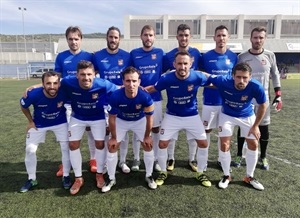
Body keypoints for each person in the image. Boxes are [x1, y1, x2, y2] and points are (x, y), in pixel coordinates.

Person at [146, 50, 211, 187]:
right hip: (172, 116)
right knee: (162, 144)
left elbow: (213, 83)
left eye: (185, 63)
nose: (182, 67)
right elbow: (153, 88)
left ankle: (200, 172)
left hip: (192, 116)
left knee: (204, 143)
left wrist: (231, 87)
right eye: (179, 63)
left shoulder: (197, 76)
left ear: (191, 64)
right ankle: (163, 171)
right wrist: (134, 91)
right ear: (174, 64)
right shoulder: (166, 78)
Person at [207, 62, 267, 190]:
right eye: (238, 77)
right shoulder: (223, 81)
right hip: (227, 115)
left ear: (250, 77)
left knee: (254, 144)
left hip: (247, 115)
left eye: (245, 77)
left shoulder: (256, 86)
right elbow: (206, 76)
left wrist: (256, 126)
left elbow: (263, 105)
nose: (241, 80)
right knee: (224, 145)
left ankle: (249, 177)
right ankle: (226, 175)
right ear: (233, 76)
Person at [61, 60, 118, 195]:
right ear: (77, 75)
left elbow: (119, 90)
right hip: (77, 117)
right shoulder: (68, 81)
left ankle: (99, 174)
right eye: (82, 74)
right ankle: (78, 178)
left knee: (99, 143)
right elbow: (51, 83)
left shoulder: (103, 84)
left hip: (97, 117)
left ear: (94, 74)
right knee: (73, 144)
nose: (86, 78)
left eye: (89, 74)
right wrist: (33, 87)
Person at [233, 26, 282, 170]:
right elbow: (236, 77)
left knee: (264, 128)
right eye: (255, 37)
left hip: (263, 99)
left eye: (261, 37)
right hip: (245, 99)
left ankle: (264, 157)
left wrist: (278, 94)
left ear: (265, 39)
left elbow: (275, 74)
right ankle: (239, 155)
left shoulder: (270, 55)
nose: (258, 40)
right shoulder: (242, 57)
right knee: (243, 128)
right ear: (250, 39)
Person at [103, 66, 157, 192]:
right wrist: (114, 138)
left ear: (139, 82)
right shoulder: (115, 96)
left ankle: (149, 175)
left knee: (148, 145)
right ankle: (111, 178)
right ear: (123, 82)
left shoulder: (146, 97)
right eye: (128, 81)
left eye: (134, 81)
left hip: (139, 120)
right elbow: (112, 118)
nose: (131, 84)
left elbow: (150, 118)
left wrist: (147, 136)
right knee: (112, 146)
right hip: (122, 121)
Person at [54, 26, 96, 176]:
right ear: (67, 40)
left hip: (87, 101)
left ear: (81, 39)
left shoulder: (89, 56)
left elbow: (93, 78)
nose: (73, 42)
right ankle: (66, 163)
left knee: (91, 132)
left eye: (76, 39)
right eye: (70, 39)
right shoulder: (61, 57)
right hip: (68, 102)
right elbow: (56, 79)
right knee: (67, 135)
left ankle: (93, 159)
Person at [19, 72, 71, 192]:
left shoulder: (65, 91)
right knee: (30, 149)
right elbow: (23, 106)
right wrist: (30, 122)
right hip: (39, 124)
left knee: (66, 147)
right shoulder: (33, 94)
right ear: (42, 84)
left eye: (55, 83)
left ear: (59, 84)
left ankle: (66, 175)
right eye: (48, 83)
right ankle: (32, 179)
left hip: (60, 122)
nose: (52, 86)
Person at [92, 26, 132, 174]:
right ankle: (103, 163)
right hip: (103, 100)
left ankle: (122, 161)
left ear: (119, 39)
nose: (113, 40)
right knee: (103, 133)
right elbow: (91, 73)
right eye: (111, 37)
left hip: (123, 100)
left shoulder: (127, 56)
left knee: (124, 132)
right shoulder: (97, 56)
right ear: (107, 38)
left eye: (116, 37)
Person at [164, 23, 202, 172]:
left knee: (193, 134)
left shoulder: (197, 53)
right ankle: (171, 158)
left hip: (191, 100)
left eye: (186, 35)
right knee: (171, 134)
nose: (184, 38)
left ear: (190, 36)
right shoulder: (169, 55)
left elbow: (201, 73)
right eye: (181, 35)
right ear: (177, 37)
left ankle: (192, 159)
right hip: (173, 100)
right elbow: (163, 74)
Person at [200, 25, 238, 170]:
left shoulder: (234, 57)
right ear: (214, 37)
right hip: (210, 101)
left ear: (228, 38)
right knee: (207, 130)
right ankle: (204, 161)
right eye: (218, 35)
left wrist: (221, 85)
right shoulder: (206, 57)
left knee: (224, 133)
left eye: (224, 35)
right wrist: (218, 85)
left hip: (227, 102)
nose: (221, 38)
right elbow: (203, 79)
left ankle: (221, 160)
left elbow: (234, 80)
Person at [130, 25, 165, 173]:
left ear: (154, 37)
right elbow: (130, 74)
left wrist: (156, 86)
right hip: (137, 98)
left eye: (151, 35)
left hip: (155, 97)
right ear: (141, 37)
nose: (148, 38)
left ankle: (156, 158)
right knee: (138, 128)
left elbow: (164, 73)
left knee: (155, 128)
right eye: (145, 35)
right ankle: (137, 158)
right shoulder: (134, 54)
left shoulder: (160, 53)